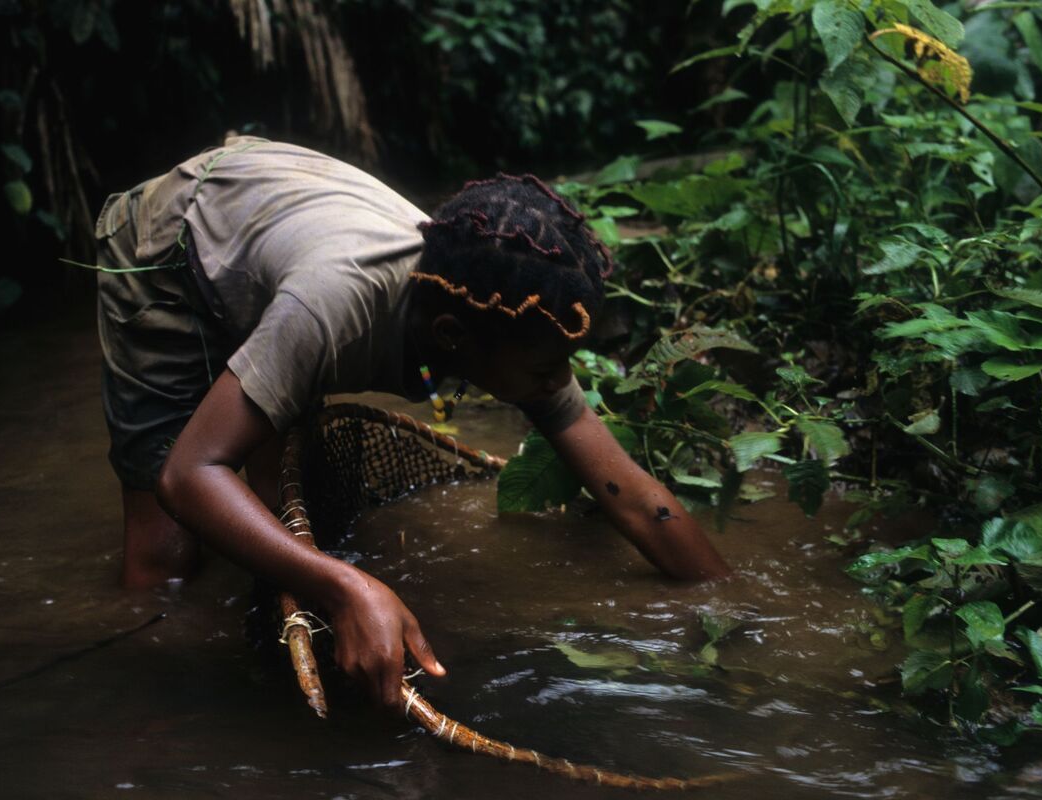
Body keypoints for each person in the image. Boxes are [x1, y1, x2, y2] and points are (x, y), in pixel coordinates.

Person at [94, 134, 730, 712]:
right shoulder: (336, 307)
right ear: (451, 336)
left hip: (272, 227)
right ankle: (146, 720)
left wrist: (732, 607)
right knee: (165, 564)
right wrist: (345, 588)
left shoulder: (494, 306)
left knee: (279, 484)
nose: (558, 381)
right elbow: (187, 476)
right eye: (545, 369)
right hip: (172, 247)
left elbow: (638, 502)